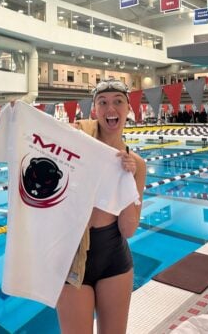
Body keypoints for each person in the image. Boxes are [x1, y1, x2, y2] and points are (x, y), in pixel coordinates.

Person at [56, 79, 146, 334]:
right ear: (94, 110)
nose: (111, 109)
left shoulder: (136, 164)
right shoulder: (74, 147)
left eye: (118, 102)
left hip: (114, 260)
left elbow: (128, 230)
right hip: (72, 259)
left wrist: (126, 179)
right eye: (103, 103)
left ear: (128, 109)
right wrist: (19, 120)